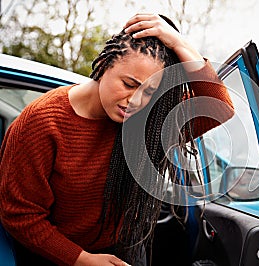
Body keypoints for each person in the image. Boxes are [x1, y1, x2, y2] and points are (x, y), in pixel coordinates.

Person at [0, 14, 234, 266]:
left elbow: (218, 108)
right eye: (128, 84)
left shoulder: (145, 124)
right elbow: (20, 216)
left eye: (149, 92)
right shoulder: (41, 122)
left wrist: (181, 44)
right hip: (57, 256)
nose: (136, 101)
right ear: (103, 64)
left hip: (124, 248)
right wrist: (84, 260)